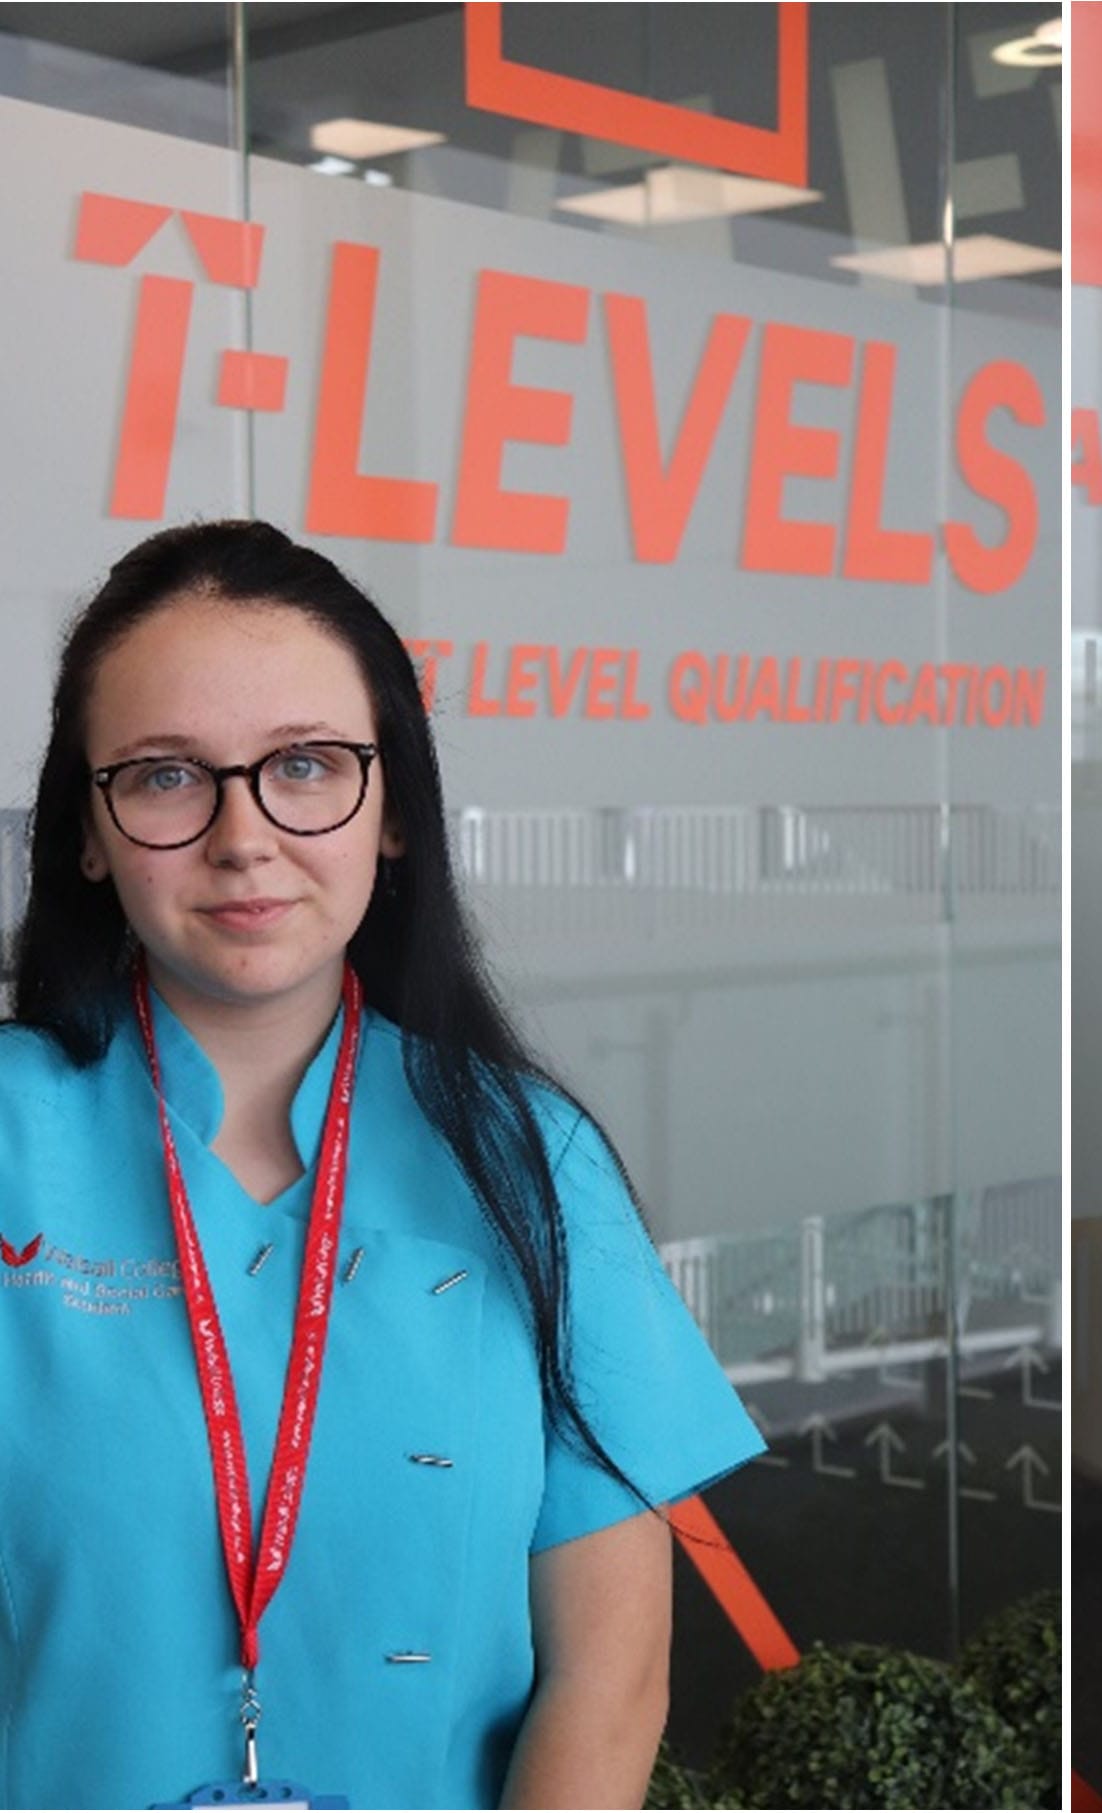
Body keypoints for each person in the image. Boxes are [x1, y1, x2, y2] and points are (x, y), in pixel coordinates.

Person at [0, 520, 759, 1808]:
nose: (243, 836)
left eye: (305, 765)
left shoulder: (528, 1157)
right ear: (88, 830)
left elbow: (612, 1674)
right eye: (167, 776)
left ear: (393, 808)